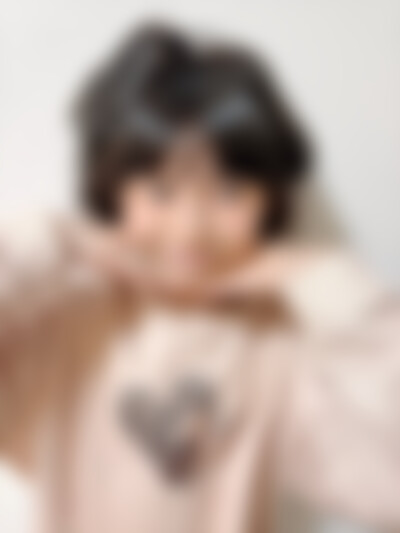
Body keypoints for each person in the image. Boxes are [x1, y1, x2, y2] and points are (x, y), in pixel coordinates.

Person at [1, 25, 399, 533]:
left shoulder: (281, 347)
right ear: (112, 188)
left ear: (271, 199)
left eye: (229, 192)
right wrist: (58, 239)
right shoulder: (64, 321)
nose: (191, 228)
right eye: (161, 191)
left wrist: (322, 276)